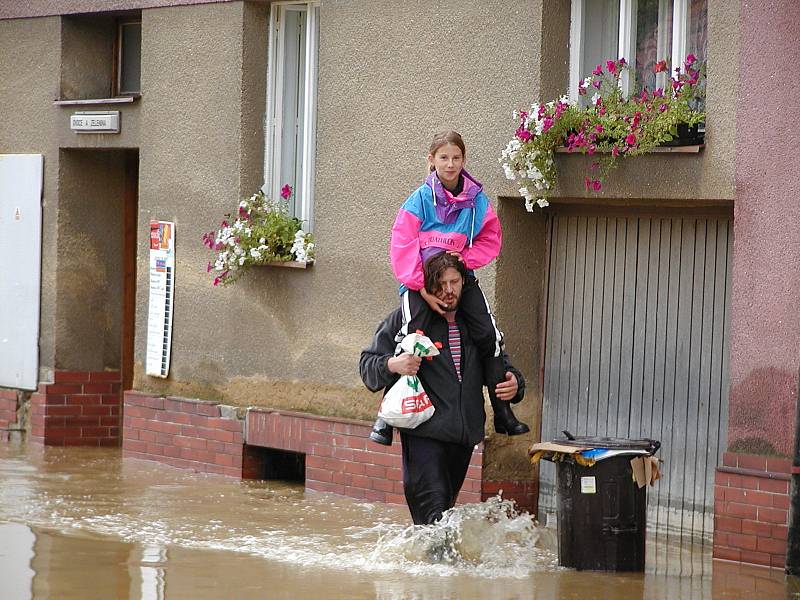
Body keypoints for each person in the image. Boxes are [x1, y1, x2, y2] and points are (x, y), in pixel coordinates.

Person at [369, 130, 528, 446]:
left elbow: (491, 238)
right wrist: (420, 287)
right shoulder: (418, 200)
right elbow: (401, 245)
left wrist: (465, 259)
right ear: (432, 161)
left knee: (489, 335)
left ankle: (503, 412)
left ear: (463, 160)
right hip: (421, 280)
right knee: (411, 336)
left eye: (456, 158)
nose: (451, 164)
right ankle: (385, 418)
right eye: (444, 158)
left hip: (460, 275)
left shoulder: (476, 200)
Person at [360, 252, 526, 525]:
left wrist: (516, 384)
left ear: (464, 281)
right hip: (424, 434)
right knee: (435, 522)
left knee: (441, 521)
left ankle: (421, 565)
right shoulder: (407, 318)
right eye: (441, 284)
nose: (449, 290)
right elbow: (367, 365)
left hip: (462, 438)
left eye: (455, 282)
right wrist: (394, 364)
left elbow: (501, 364)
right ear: (427, 285)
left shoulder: (476, 323)